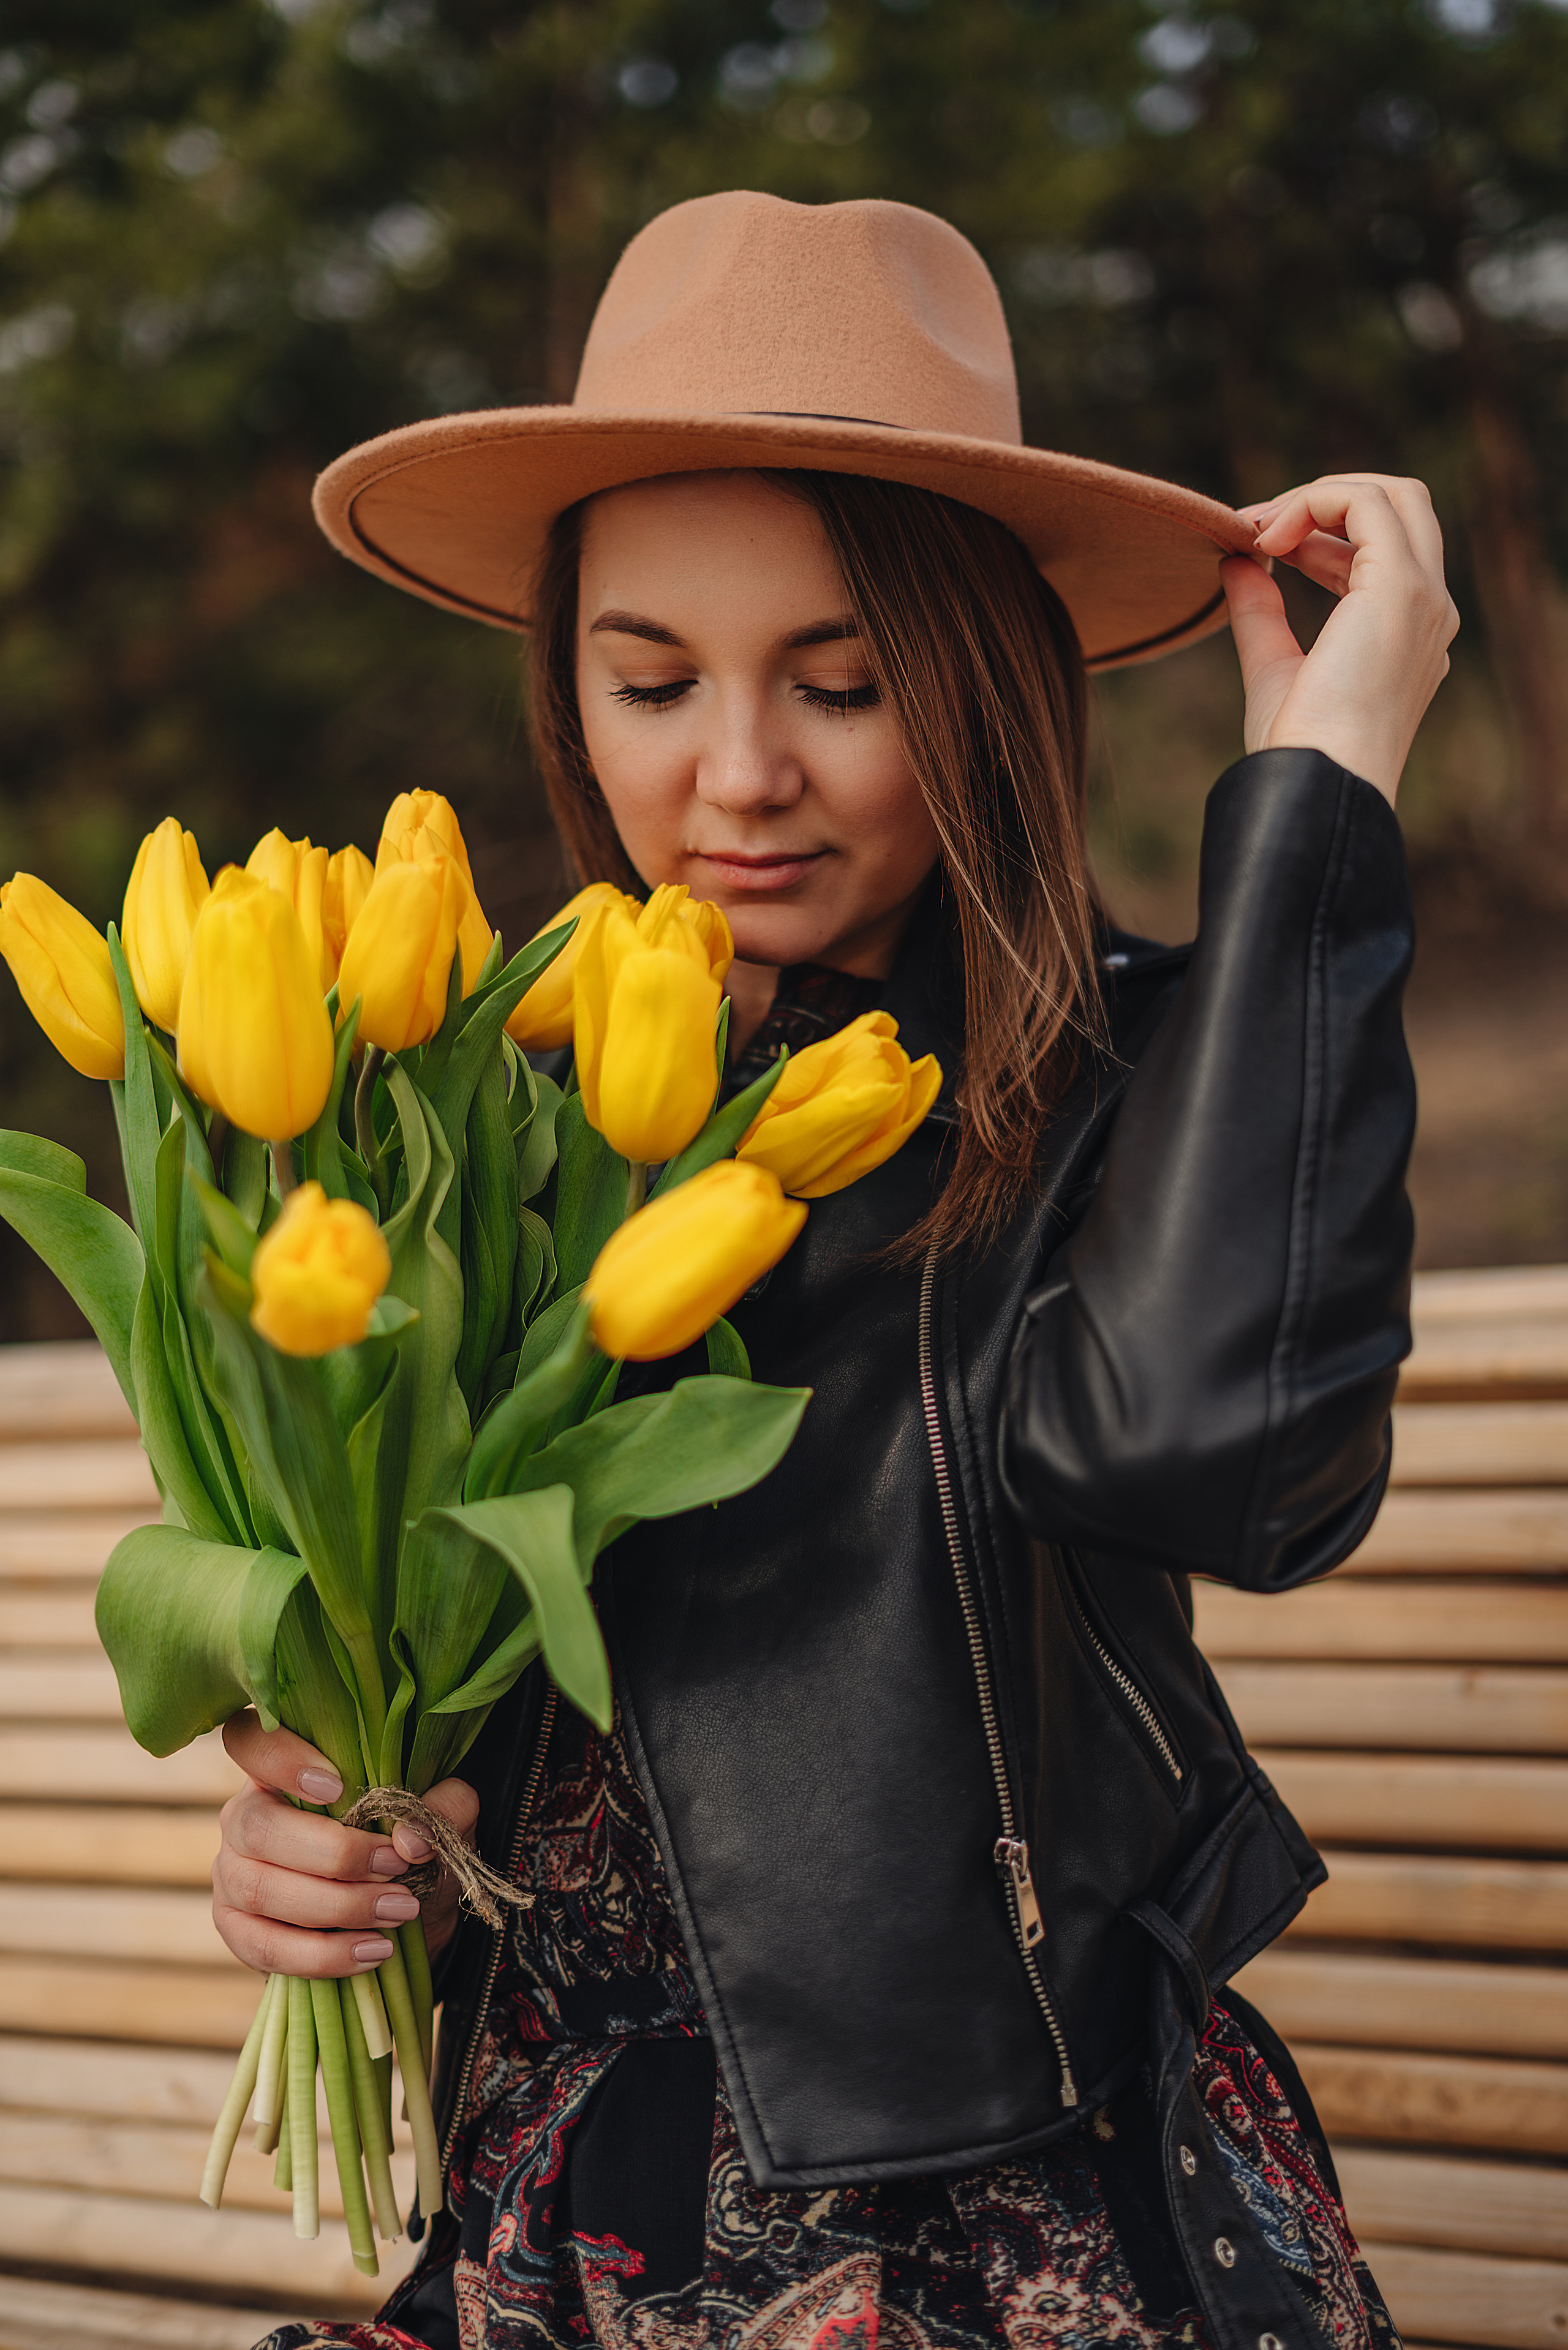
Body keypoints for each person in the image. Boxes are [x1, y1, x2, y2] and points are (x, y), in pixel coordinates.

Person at [217, 193, 1453, 2350]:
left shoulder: (1158, 1071)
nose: (737, 776)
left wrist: (1321, 798)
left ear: (977, 682)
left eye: (844, 680)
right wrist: (327, 1849)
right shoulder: (467, 1124)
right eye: (648, 679)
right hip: (542, 2216)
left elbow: (1213, 1457)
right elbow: (444, 1698)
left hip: (999, 2214)